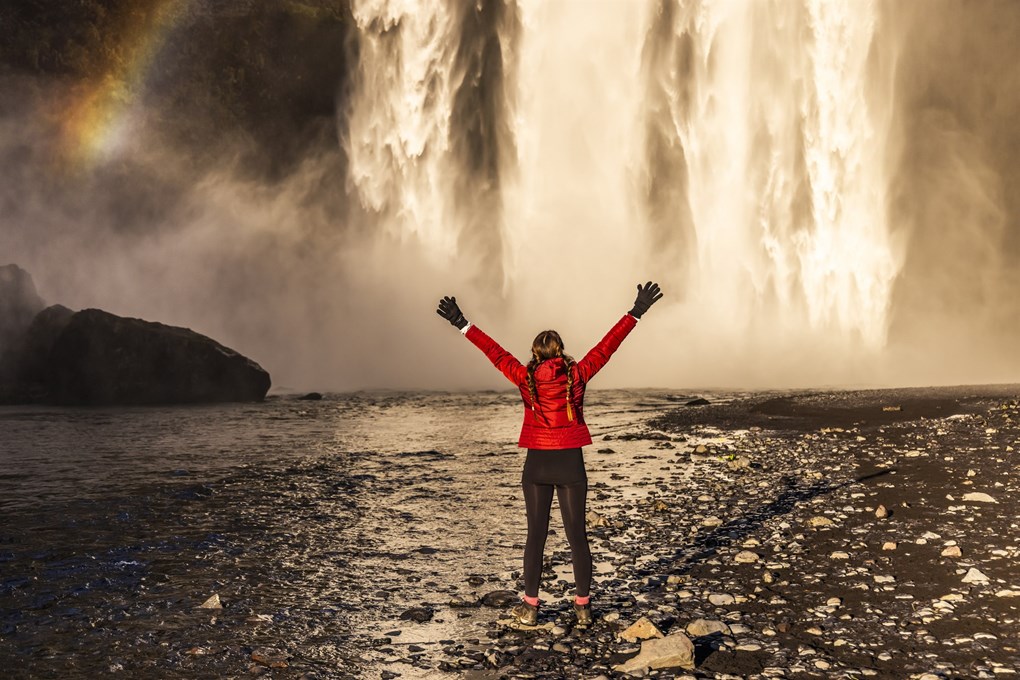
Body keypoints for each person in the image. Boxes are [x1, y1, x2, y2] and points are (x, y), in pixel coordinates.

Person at [435, 282, 663, 626]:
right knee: (577, 537)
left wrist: (462, 322)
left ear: (535, 353)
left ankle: (530, 607)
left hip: (537, 465)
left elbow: (495, 352)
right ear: (561, 351)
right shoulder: (578, 375)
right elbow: (607, 347)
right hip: (570, 462)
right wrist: (636, 311)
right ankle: (583, 608)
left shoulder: (525, 378)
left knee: (535, 537)